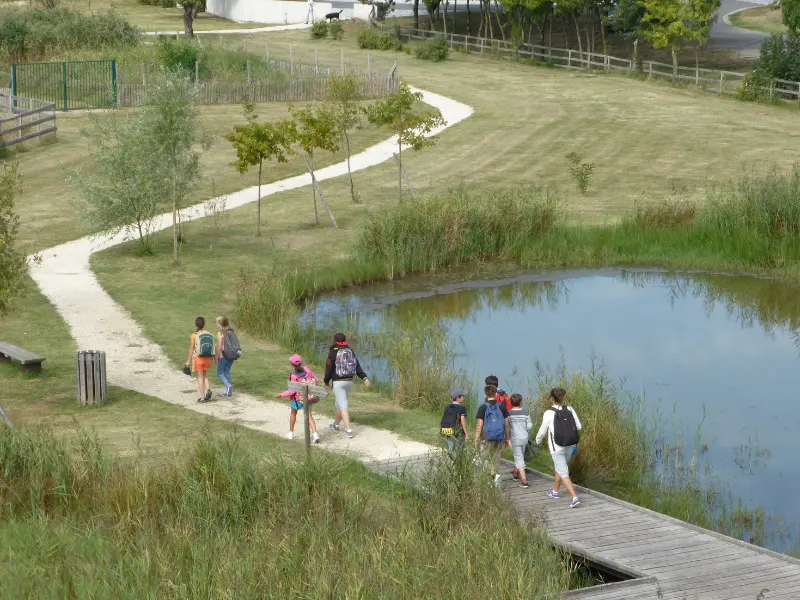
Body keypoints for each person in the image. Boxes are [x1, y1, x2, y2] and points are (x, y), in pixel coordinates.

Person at [535, 387, 582, 508]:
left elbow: (542, 431)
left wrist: (538, 441)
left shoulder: (549, 413)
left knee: (563, 472)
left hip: (557, 447)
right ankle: (555, 491)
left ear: (551, 398)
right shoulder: (570, 409)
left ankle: (574, 497)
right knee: (560, 467)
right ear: (563, 398)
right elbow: (579, 426)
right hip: (570, 445)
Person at [323, 332, 370, 439]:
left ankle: (348, 430)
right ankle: (336, 425)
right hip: (349, 381)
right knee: (338, 403)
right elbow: (357, 365)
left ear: (334, 342)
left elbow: (328, 369)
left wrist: (326, 381)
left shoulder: (332, 353)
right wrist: (364, 377)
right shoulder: (350, 351)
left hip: (338, 383)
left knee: (343, 404)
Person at [276, 354, 320, 443]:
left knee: (293, 413)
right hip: (308, 397)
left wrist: (281, 395)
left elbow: (292, 391)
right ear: (301, 362)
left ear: (292, 365)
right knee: (309, 416)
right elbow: (316, 380)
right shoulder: (307, 370)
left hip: (297, 399)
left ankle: (291, 433)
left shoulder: (294, 376)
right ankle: (315, 435)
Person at [474, 384, 510, 485]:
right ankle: (495, 478)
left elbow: (479, 425)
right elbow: (507, 425)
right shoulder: (502, 407)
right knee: (496, 458)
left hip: (487, 437)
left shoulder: (483, 407)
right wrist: (507, 439)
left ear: (486, 394)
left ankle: (486, 479)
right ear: (496, 394)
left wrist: (476, 439)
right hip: (499, 437)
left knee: (484, 458)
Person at [185, 316, 215, 403]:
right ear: (204, 324)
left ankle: (202, 397)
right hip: (208, 358)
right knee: (205, 375)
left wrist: (188, 361)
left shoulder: (194, 335)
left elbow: (191, 349)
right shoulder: (210, 334)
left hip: (199, 358)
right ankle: (208, 389)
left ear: (196, 324)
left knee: (200, 377)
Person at [508, 393, 533, 488]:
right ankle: (515, 474)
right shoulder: (525, 411)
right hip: (524, 438)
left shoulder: (509, 413)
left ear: (511, 403)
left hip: (515, 438)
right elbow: (530, 425)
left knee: (519, 458)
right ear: (521, 402)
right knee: (520, 455)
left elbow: (507, 426)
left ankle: (524, 481)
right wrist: (526, 431)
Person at [440, 388, 470, 456]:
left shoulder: (447, 407)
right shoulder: (462, 408)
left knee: (451, 447)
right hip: (456, 430)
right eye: (463, 396)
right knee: (459, 448)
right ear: (458, 398)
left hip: (446, 429)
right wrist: (466, 434)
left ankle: (451, 461)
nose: (464, 397)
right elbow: (463, 422)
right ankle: (457, 463)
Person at [215, 315, 240, 397]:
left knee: (220, 373)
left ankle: (228, 386)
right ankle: (228, 391)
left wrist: (216, 357)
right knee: (227, 372)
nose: (216, 324)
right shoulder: (231, 332)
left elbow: (219, 347)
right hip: (231, 355)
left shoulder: (220, 334)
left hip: (223, 355)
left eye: (217, 323)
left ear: (221, 324)